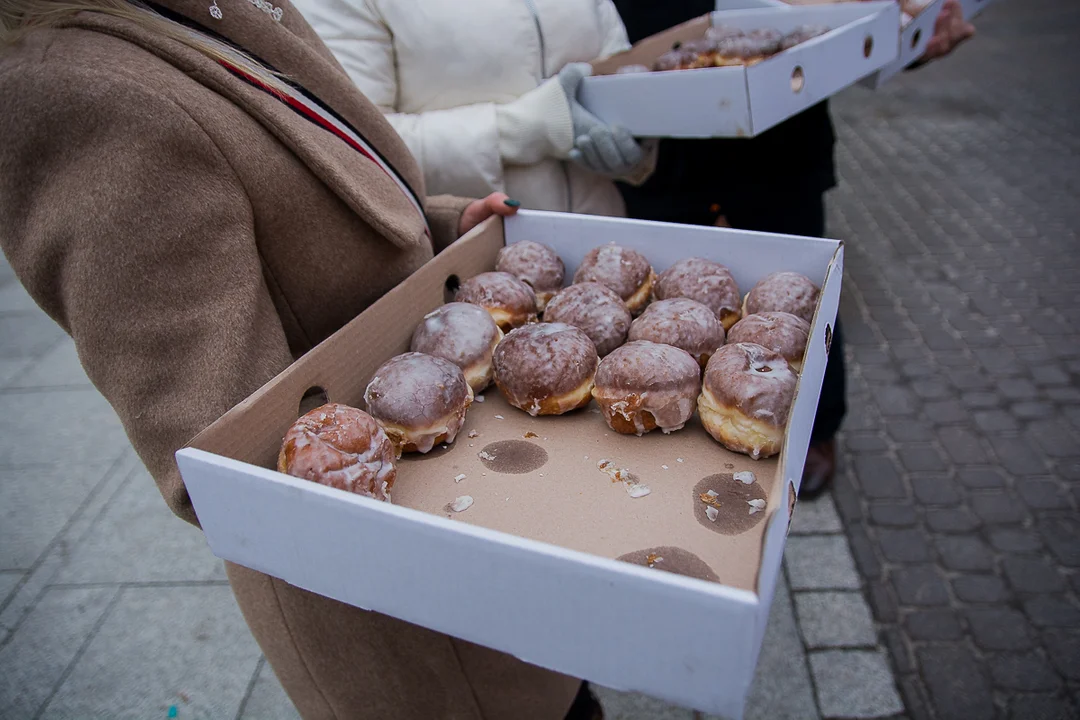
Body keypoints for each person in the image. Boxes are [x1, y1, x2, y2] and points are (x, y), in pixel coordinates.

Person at [0, 1, 598, 718]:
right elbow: (223, 449)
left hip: (474, 481)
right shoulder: (71, 89)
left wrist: (441, 234)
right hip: (399, 591)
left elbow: (307, 191)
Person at [610, 0, 974, 497]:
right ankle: (682, 401)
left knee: (797, 297)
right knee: (673, 300)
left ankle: (818, 428)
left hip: (779, 152)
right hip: (659, 153)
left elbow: (844, 24)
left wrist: (906, 36)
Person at [292, 0, 652, 217]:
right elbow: (348, 146)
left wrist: (635, 143)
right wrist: (518, 130)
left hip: (607, 245)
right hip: (472, 266)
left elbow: (618, 67)